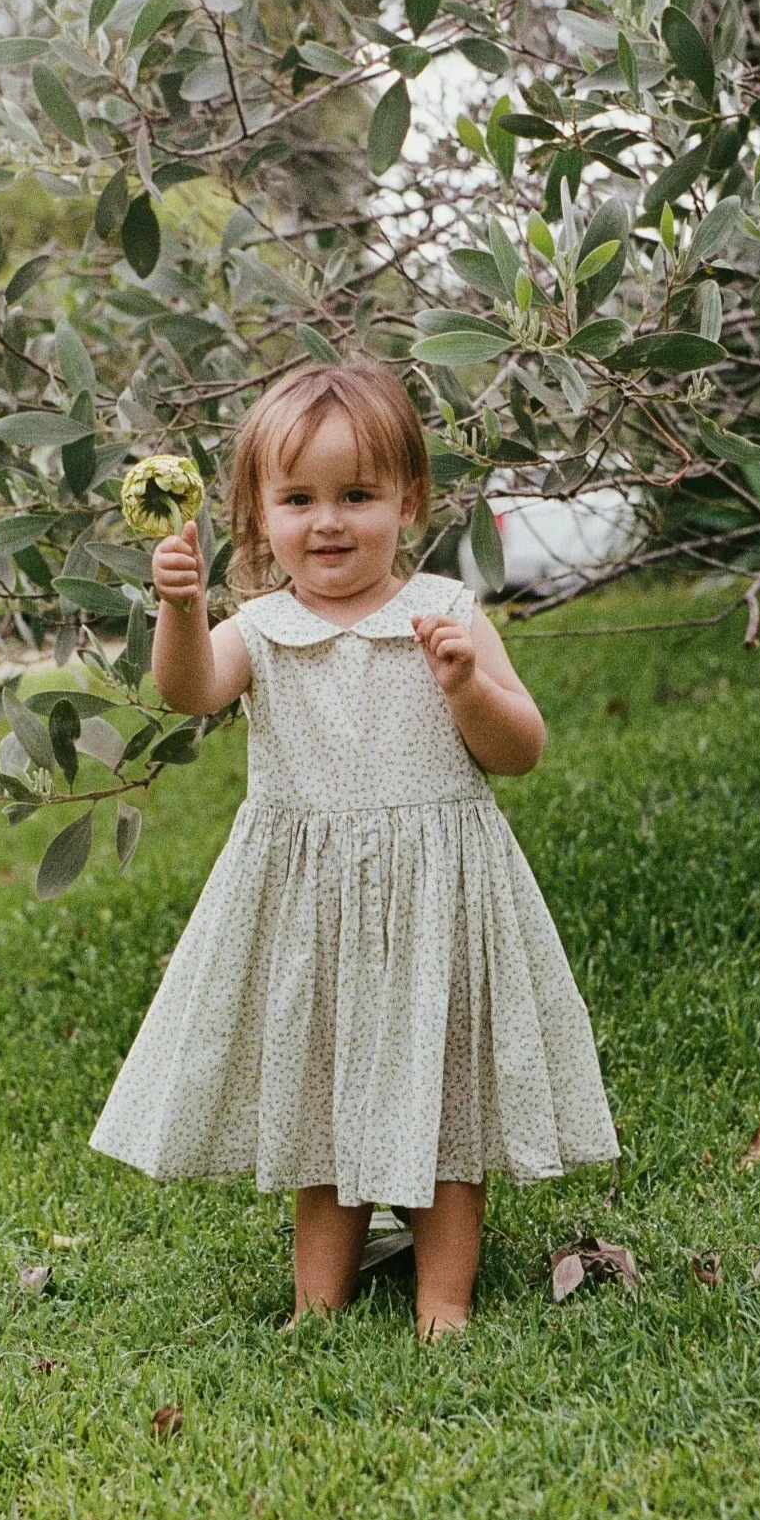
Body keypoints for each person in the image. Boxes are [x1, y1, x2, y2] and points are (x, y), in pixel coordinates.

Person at [89, 363, 617, 1339]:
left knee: (446, 1108)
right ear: (256, 513)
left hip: (436, 899)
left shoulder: (446, 615)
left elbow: (520, 750)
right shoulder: (260, 627)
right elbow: (189, 691)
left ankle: (443, 1302)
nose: (327, 522)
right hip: (310, 905)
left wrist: (464, 687)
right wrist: (175, 608)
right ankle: (315, 1304)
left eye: (356, 496)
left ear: (406, 500)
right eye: (298, 500)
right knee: (321, 1109)